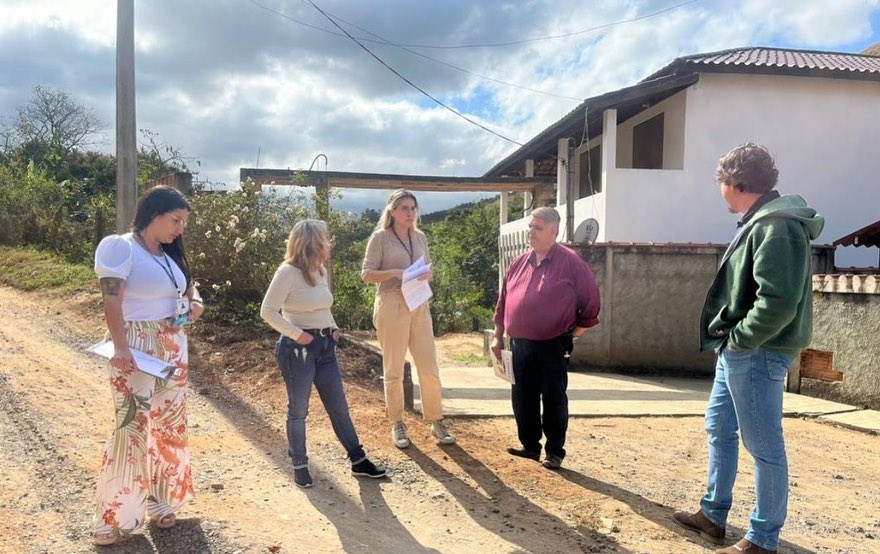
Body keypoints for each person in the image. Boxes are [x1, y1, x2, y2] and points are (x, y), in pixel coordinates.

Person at [673, 143, 825, 554]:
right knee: (719, 427)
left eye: (721, 182)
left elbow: (779, 300)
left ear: (736, 183)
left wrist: (740, 340)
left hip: (757, 350)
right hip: (741, 349)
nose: (719, 190)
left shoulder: (778, 226)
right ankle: (713, 515)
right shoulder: (762, 220)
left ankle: (762, 539)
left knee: (763, 445)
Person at [92, 185, 203, 546]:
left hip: (173, 346)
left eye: (183, 223)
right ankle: (113, 517)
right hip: (136, 345)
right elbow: (111, 299)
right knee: (131, 427)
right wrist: (120, 346)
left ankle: (160, 501)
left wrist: (195, 304)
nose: (180, 229)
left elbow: (186, 289)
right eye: (176, 220)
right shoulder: (121, 247)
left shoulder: (169, 254)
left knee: (169, 426)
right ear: (154, 214)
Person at [262, 219, 387, 488]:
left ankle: (358, 460)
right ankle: (299, 464)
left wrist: (333, 327)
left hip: (325, 346)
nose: (329, 244)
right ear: (311, 243)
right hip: (297, 350)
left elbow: (323, 306)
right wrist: (298, 334)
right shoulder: (287, 273)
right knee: (298, 410)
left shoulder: (320, 270)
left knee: (338, 406)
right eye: (324, 240)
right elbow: (268, 311)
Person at [491, 206, 601, 470]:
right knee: (523, 397)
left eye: (538, 228)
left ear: (554, 231)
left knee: (553, 399)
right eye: (530, 226)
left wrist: (573, 334)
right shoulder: (519, 262)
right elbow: (503, 301)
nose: (531, 232)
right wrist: (497, 336)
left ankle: (554, 452)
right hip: (519, 344)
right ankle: (530, 446)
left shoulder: (572, 263)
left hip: (553, 343)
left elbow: (591, 302)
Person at [361, 189, 454, 448]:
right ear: (392, 211)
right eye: (404, 208)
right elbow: (366, 274)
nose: (410, 213)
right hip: (392, 304)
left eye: (413, 208)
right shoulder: (380, 238)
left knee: (429, 366)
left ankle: (436, 419)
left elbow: (429, 268)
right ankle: (397, 422)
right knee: (393, 368)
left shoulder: (420, 236)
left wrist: (427, 274)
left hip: (419, 303)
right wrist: (395, 272)